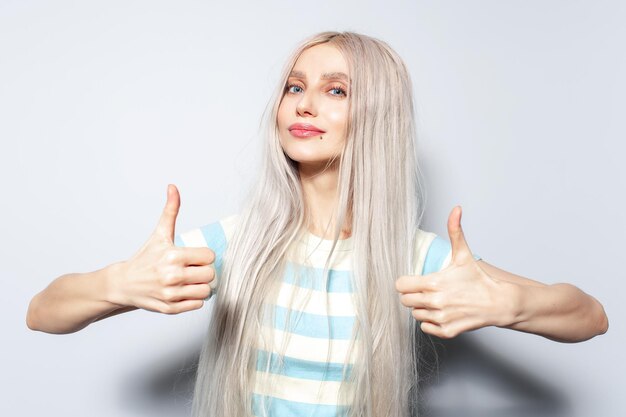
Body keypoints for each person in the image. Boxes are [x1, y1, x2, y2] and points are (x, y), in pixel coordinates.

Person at [26, 31, 608, 417]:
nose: (305, 104)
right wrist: (114, 286)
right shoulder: (239, 244)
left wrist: (509, 304)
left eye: (336, 91)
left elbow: (591, 318)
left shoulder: (418, 260)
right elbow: (42, 313)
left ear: (378, 118)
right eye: (295, 86)